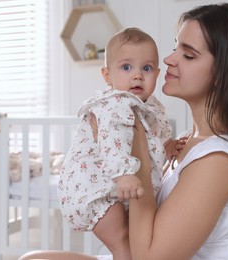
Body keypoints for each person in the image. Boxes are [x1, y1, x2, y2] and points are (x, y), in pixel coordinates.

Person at [19, 3, 228, 260]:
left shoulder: (218, 160)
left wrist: (136, 145)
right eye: (175, 47)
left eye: (188, 54)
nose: (169, 60)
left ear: (224, 75)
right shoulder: (186, 140)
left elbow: (149, 256)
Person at [57, 27, 181, 260]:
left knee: (133, 242)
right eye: (126, 67)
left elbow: (151, 138)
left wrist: (168, 145)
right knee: (123, 242)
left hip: (113, 185)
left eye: (146, 68)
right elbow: (113, 139)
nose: (137, 75)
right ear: (107, 76)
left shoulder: (151, 107)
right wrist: (123, 174)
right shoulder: (114, 104)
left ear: (157, 72)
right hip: (92, 188)